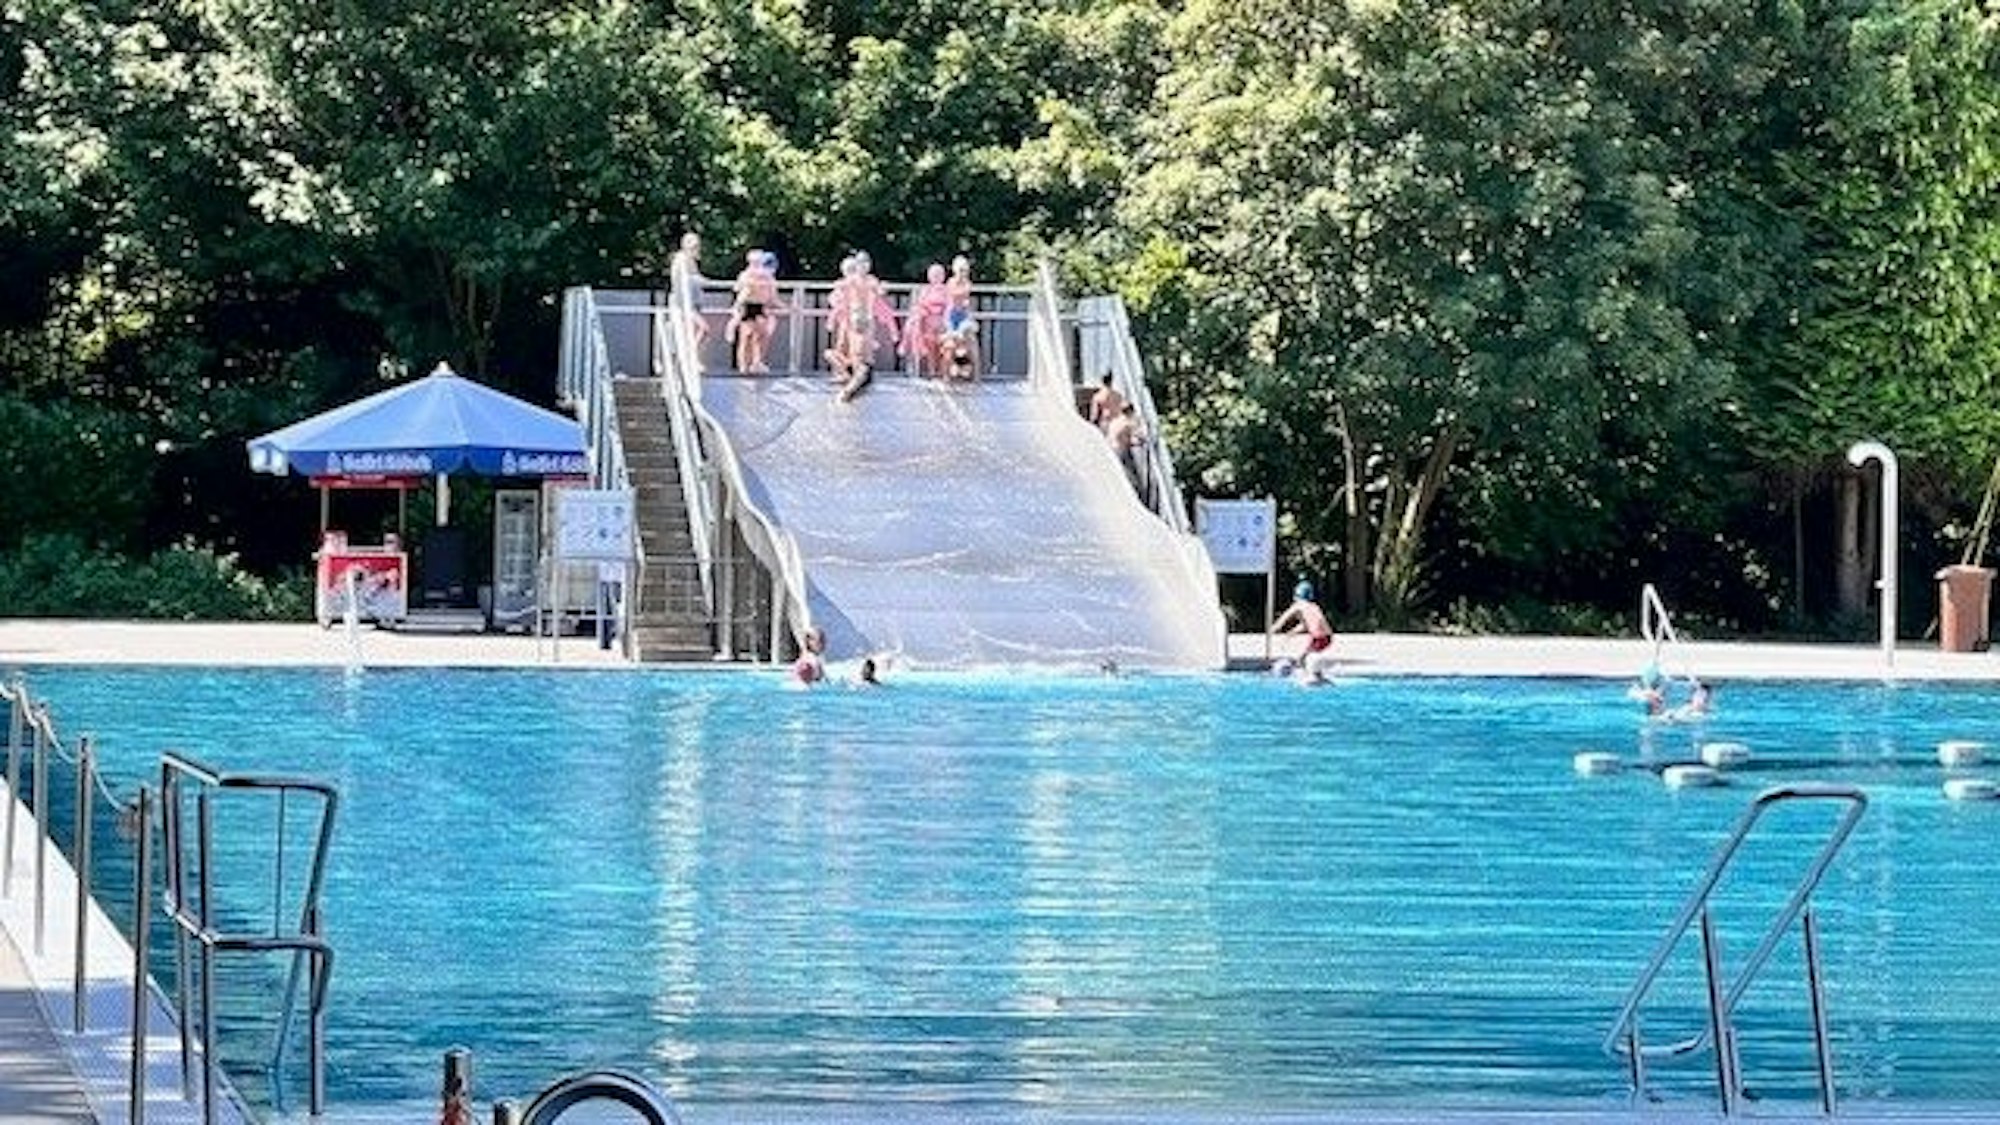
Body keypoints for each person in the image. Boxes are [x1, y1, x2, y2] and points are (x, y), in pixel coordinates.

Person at [729, 250, 781, 373]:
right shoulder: (745, 274)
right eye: (754, 262)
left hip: (760, 306)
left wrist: (784, 306)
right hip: (747, 305)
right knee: (746, 336)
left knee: (762, 334)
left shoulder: (767, 276)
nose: (757, 265)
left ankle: (757, 362)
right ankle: (743, 366)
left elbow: (772, 295)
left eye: (759, 262)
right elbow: (738, 289)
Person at [901, 263, 952, 377]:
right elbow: (920, 305)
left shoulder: (946, 290)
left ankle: (906, 345)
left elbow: (949, 307)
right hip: (926, 321)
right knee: (916, 322)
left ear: (943, 276)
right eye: (934, 274)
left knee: (924, 328)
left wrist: (945, 320)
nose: (937, 277)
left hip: (941, 320)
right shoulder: (925, 289)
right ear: (929, 276)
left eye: (939, 274)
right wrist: (924, 312)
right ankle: (928, 367)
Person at [1271, 580, 1334, 658]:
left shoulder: (1298, 605)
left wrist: (1274, 628)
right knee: (1305, 657)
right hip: (1327, 637)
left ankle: (1311, 667)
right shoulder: (1314, 606)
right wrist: (1292, 632)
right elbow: (1308, 625)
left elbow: (1284, 618)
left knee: (1303, 659)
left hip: (1318, 637)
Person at [1106, 403, 1147, 498]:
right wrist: (1140, 442)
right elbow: (1128, 440)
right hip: (1119, 451)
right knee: (1128, 477)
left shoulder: (1116, 421)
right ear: (1130, 412)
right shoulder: (1127, 424)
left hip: (1112, 448)